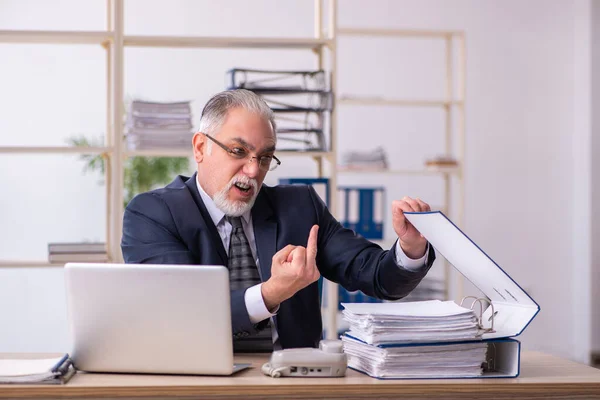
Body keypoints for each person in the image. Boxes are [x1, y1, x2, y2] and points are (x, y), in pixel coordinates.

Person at [121, 89, 436, 351]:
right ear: (201, 147)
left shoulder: (299, 207)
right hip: (199, 385)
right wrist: (271, 293)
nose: (253, 170)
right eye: (238, 151)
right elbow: (182, 314)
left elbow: (376, 276)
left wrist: (410, 248)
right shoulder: (152, 214)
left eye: (265, 157)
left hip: (291, 386)